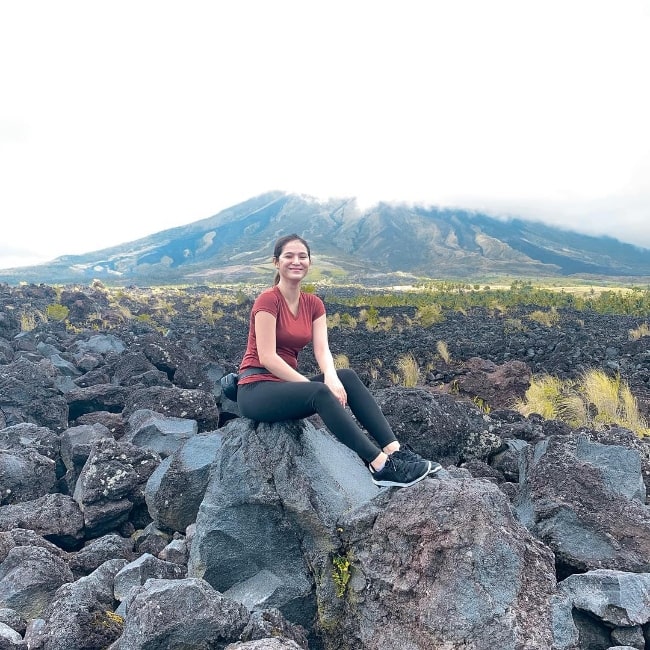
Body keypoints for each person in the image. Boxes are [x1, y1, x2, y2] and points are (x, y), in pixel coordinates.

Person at [237, 233, 442, 488]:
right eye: (289, 256)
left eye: (302, 256)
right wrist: (312, 387)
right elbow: (267, 357)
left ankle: (395, 451)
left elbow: (322, 350)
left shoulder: (313, 304)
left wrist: (332, 378)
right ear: (276, 262)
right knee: (320, 393)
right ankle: (379, 466)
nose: (296, 261)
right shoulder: (268, 300)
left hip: (283, 388)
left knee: (347, 377)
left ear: (310, 262)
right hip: (255, 389)